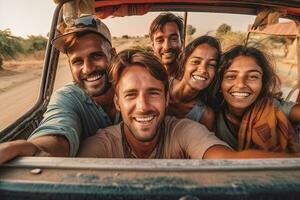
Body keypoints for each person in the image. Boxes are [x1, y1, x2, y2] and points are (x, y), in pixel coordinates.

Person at [78, 49, 300, 159]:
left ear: (166, 99)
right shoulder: (103, 144)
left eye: (153, 93)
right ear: (117, 102)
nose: (143, 105)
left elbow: (228, 161)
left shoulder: (184, 131)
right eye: (131, 95)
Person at [0, 15, 119, 164]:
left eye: (96, 56)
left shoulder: (136, 89)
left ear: (113, 55)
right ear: (69, 64)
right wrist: (38, 149)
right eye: (77, 61)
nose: (87, 69)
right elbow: (57, 130)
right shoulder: (67, 97)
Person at [213, 44, 300, 152]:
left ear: (262, 83)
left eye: (252, 77)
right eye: (231, 76)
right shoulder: (210, 114)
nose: (240, 85)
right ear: (220, 84)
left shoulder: (272, 108)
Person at [167, 36, 221, 131]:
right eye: (196, 61)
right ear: (184, 62)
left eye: (211, 64)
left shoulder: (205, 116)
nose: (203, 70)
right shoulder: (161, 84)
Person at [149, 13, 183, 78]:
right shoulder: (147, 76)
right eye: (160, 40)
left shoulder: (189, 77)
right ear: (153, 46)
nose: (167, 46)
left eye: (173, 39)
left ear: (182, 43)